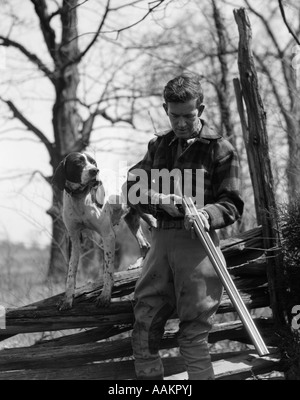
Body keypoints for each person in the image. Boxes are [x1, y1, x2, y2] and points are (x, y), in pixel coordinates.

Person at [122, 73, 244, 380]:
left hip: (199, 246)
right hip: (160, 241)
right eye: (174, 116)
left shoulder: (221, 149)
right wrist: (157, 200)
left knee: (193, 332)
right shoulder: (158, 146)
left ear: (200, 109)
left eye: (188, 116)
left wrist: (206, 214)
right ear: (165, 109)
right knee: (144, 326)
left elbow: (232, 204)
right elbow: (131, 188)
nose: (180, 123)